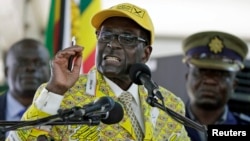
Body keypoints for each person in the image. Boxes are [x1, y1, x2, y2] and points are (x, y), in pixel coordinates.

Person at [6, 3, 190, 141]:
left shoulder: (170, 105)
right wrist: (55, 90)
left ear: (146, 53)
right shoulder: (60, 94)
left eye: (126, 38)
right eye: (106, 35)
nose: (112, 44)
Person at [182, 31, 250, 141]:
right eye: (201, 72)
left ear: (234, 85)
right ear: (187, 78)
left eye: (220, 74)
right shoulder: (163, 125)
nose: (209, 81)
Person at [0, 38, 50, 138]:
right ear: (6, 72)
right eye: (22, 63)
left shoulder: (66, 112)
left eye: (39, 63)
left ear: (50, 72)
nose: (30, 68)